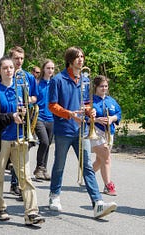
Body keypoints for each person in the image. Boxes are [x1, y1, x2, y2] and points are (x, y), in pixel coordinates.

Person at [47, 46, 117, 219]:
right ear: (70, 60)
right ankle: (54, 196)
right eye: (77, 57)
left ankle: (98, 203)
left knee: (86, 166)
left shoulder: (85, 79)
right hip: (64, 129)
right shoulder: (58, 79)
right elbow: (52, 105)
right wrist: (69, 114)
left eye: (82, 56)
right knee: (59, 165)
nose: (81, 59)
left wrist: (90, 111)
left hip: (82, 130)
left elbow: (86, 103)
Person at [0, 56, 45, 225]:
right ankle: (0, 207)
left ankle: (31, 213)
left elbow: (29, 110)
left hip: (20, 138)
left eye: (11, 67)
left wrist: (25, 115)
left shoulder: (21, 89)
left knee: (25, 177)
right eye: (5, 68)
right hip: (1, 140)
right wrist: (11, 117)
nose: (9, 70)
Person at [8, 46, 39, 196]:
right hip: (11, 117)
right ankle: (15, 182)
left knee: (22, 150)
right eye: (16, 58)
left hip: (25, 116)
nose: (19, 61)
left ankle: (18, 184)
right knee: (12, 150)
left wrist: (27, 101)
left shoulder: (29, 77)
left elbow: (35, 97)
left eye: (21, 58)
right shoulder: (6, 75)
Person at [90, 75, 122, 196]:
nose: (104, 88)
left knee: (100, 160)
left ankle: (88, 176)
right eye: (101, 86)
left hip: (109, 132)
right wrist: (97, 120)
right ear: (96, 87)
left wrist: (112, 118)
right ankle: (108, 185)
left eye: (106, 86)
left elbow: (119, 113)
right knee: (107, 158)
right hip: (96, 131)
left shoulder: (111, 100)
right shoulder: (90, 101)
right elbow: (83, 117)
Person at [33, 59, 55, 181]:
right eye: (48, 68)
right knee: (44, 142)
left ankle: (43, 169)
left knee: (48, 144)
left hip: (52, 118)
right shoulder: (37, 83)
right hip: (39, 117)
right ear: (43, 69)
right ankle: (39, 168)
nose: (50, 70)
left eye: (52, 68)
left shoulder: (55, 83)